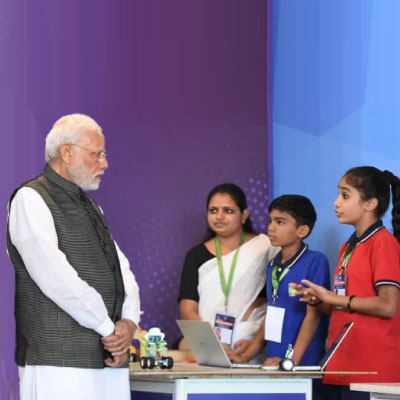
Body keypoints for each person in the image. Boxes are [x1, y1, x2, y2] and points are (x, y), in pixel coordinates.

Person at [7, 114, 140, 400]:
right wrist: (110, 330)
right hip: (58, 363)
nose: (104, 163)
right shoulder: (30, 199)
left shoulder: (92, 207)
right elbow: (55, 278)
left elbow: (123, 272)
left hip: (107, 357)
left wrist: (128, 324)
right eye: (97, 154)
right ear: (67, 152)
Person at [292, 166, 400, 400]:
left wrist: (335, 298)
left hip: (372, 372)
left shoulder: (384, 243)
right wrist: (321, 301)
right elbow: (343, 307)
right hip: (341, 365)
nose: (336, 203)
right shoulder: (348, 247)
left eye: (345, 195)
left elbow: (388, 305)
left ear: (370, 204)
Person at [178, 183, 278, 361]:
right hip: (209, 352)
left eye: (228, 211)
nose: (219, 217)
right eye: (213, 210)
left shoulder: (265, 248)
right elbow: (187, 308)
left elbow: (277, 303)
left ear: (244, 215)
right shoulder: (196, 255)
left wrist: (255, 344)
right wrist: (211, 343)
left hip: (252, 347)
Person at [230, 195, 330, 368]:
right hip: (274, 360)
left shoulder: (315, 261)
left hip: (301, 363)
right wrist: (248, 354)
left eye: (280, 222)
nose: (271, 228)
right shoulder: (272, 265)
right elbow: (272, 313)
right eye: (270, 221)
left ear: (302, 231)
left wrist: (292, 360)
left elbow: (312, 316)